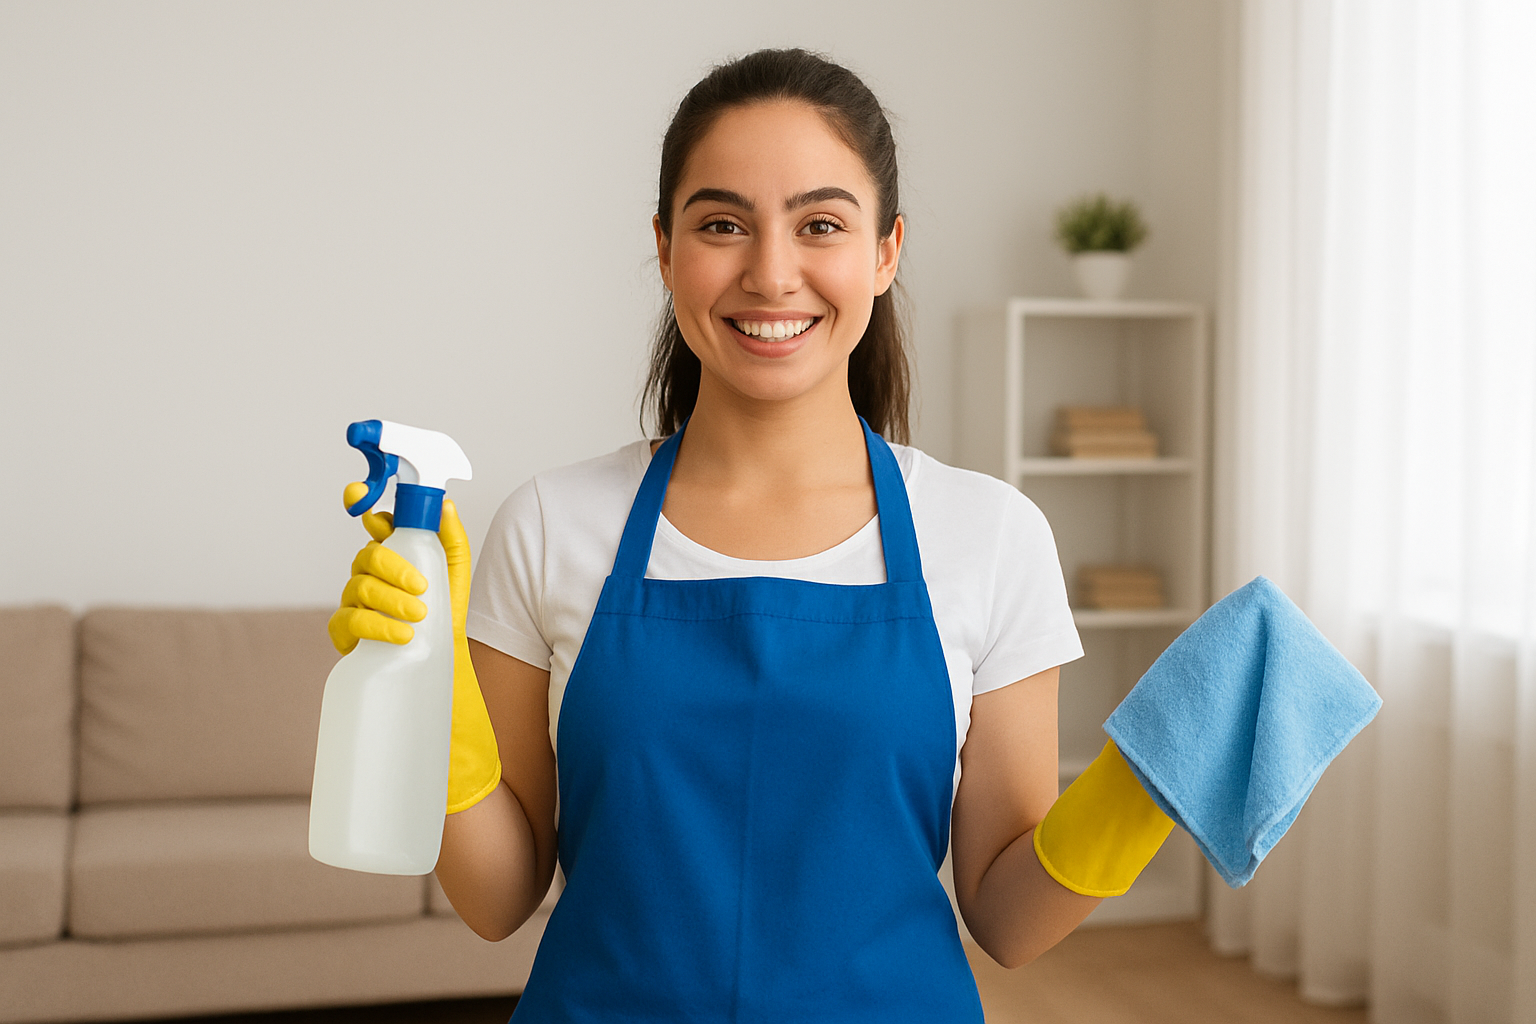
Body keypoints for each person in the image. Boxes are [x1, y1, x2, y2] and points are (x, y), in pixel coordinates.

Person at [329, 47, 1174, 1022]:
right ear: (665, 247)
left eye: (820, 224)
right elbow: (496, 899)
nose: (772, 274)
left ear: (886, 251)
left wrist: (1147, 789)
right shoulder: (554, 525)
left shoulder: (989, 535)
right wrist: (428, 700)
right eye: (722, 224)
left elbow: (1009, 919)